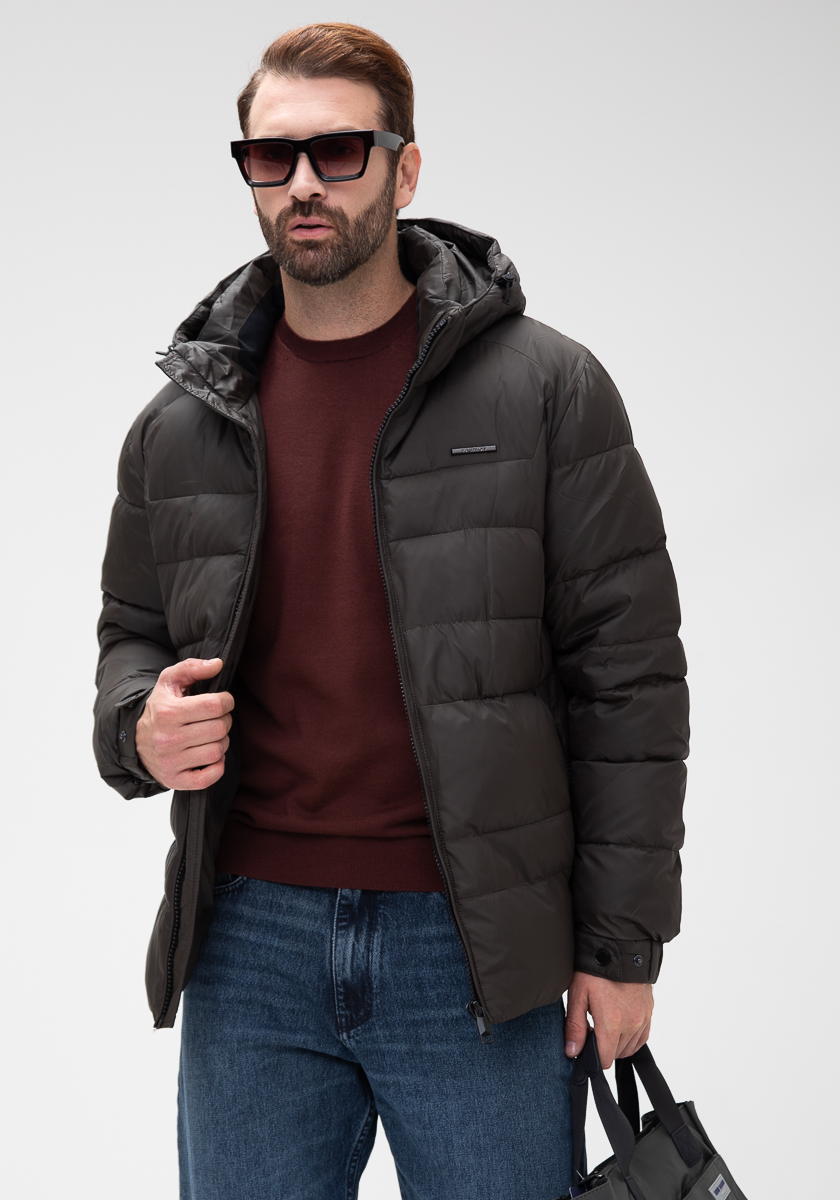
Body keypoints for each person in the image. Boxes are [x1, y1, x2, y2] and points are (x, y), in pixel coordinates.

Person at [93, 21, 688, 1200]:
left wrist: (622, 948)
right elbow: (132, 635)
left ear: (405, 169)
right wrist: (137, 727)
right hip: (249, 942)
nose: (303, 184)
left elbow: (628, 678)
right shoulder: (182, 422)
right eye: (272, 157)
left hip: (473, 949)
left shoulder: (546, 389)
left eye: (339, 152)